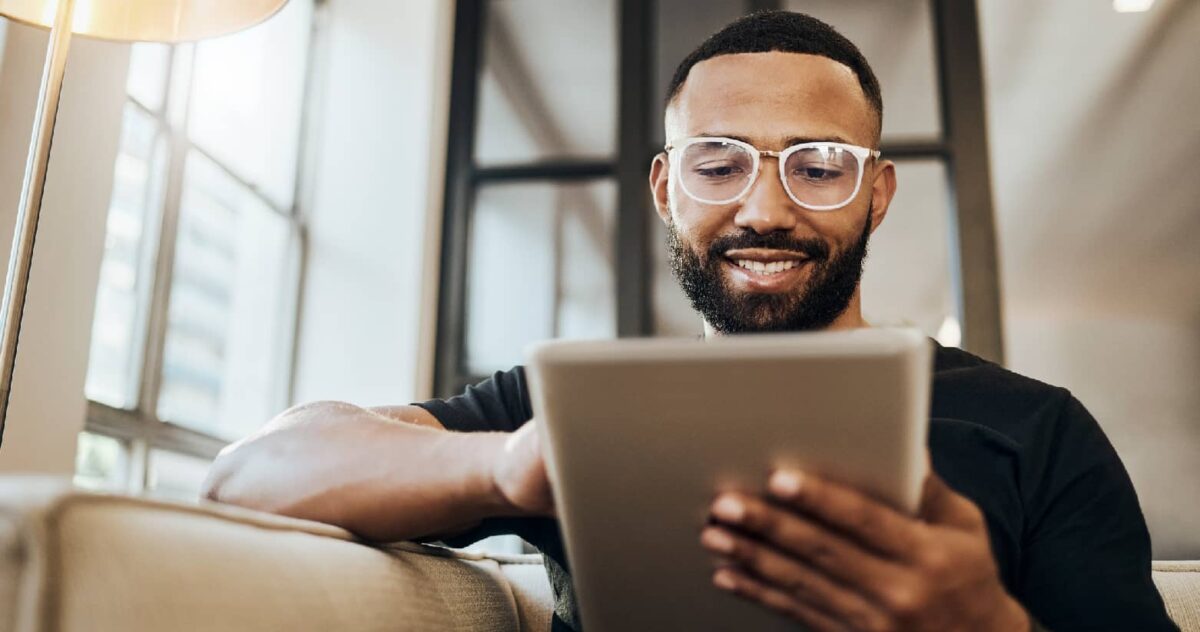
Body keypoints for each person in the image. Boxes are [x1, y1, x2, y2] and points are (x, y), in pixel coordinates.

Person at [202, 11, 1177, 632]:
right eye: (720, 163)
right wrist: (509, 465)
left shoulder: (1036, 428)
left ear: (877, 195)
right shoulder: (568, 410)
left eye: (819, 165)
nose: (764, 209)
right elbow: (252, 473)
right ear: (666, 188)